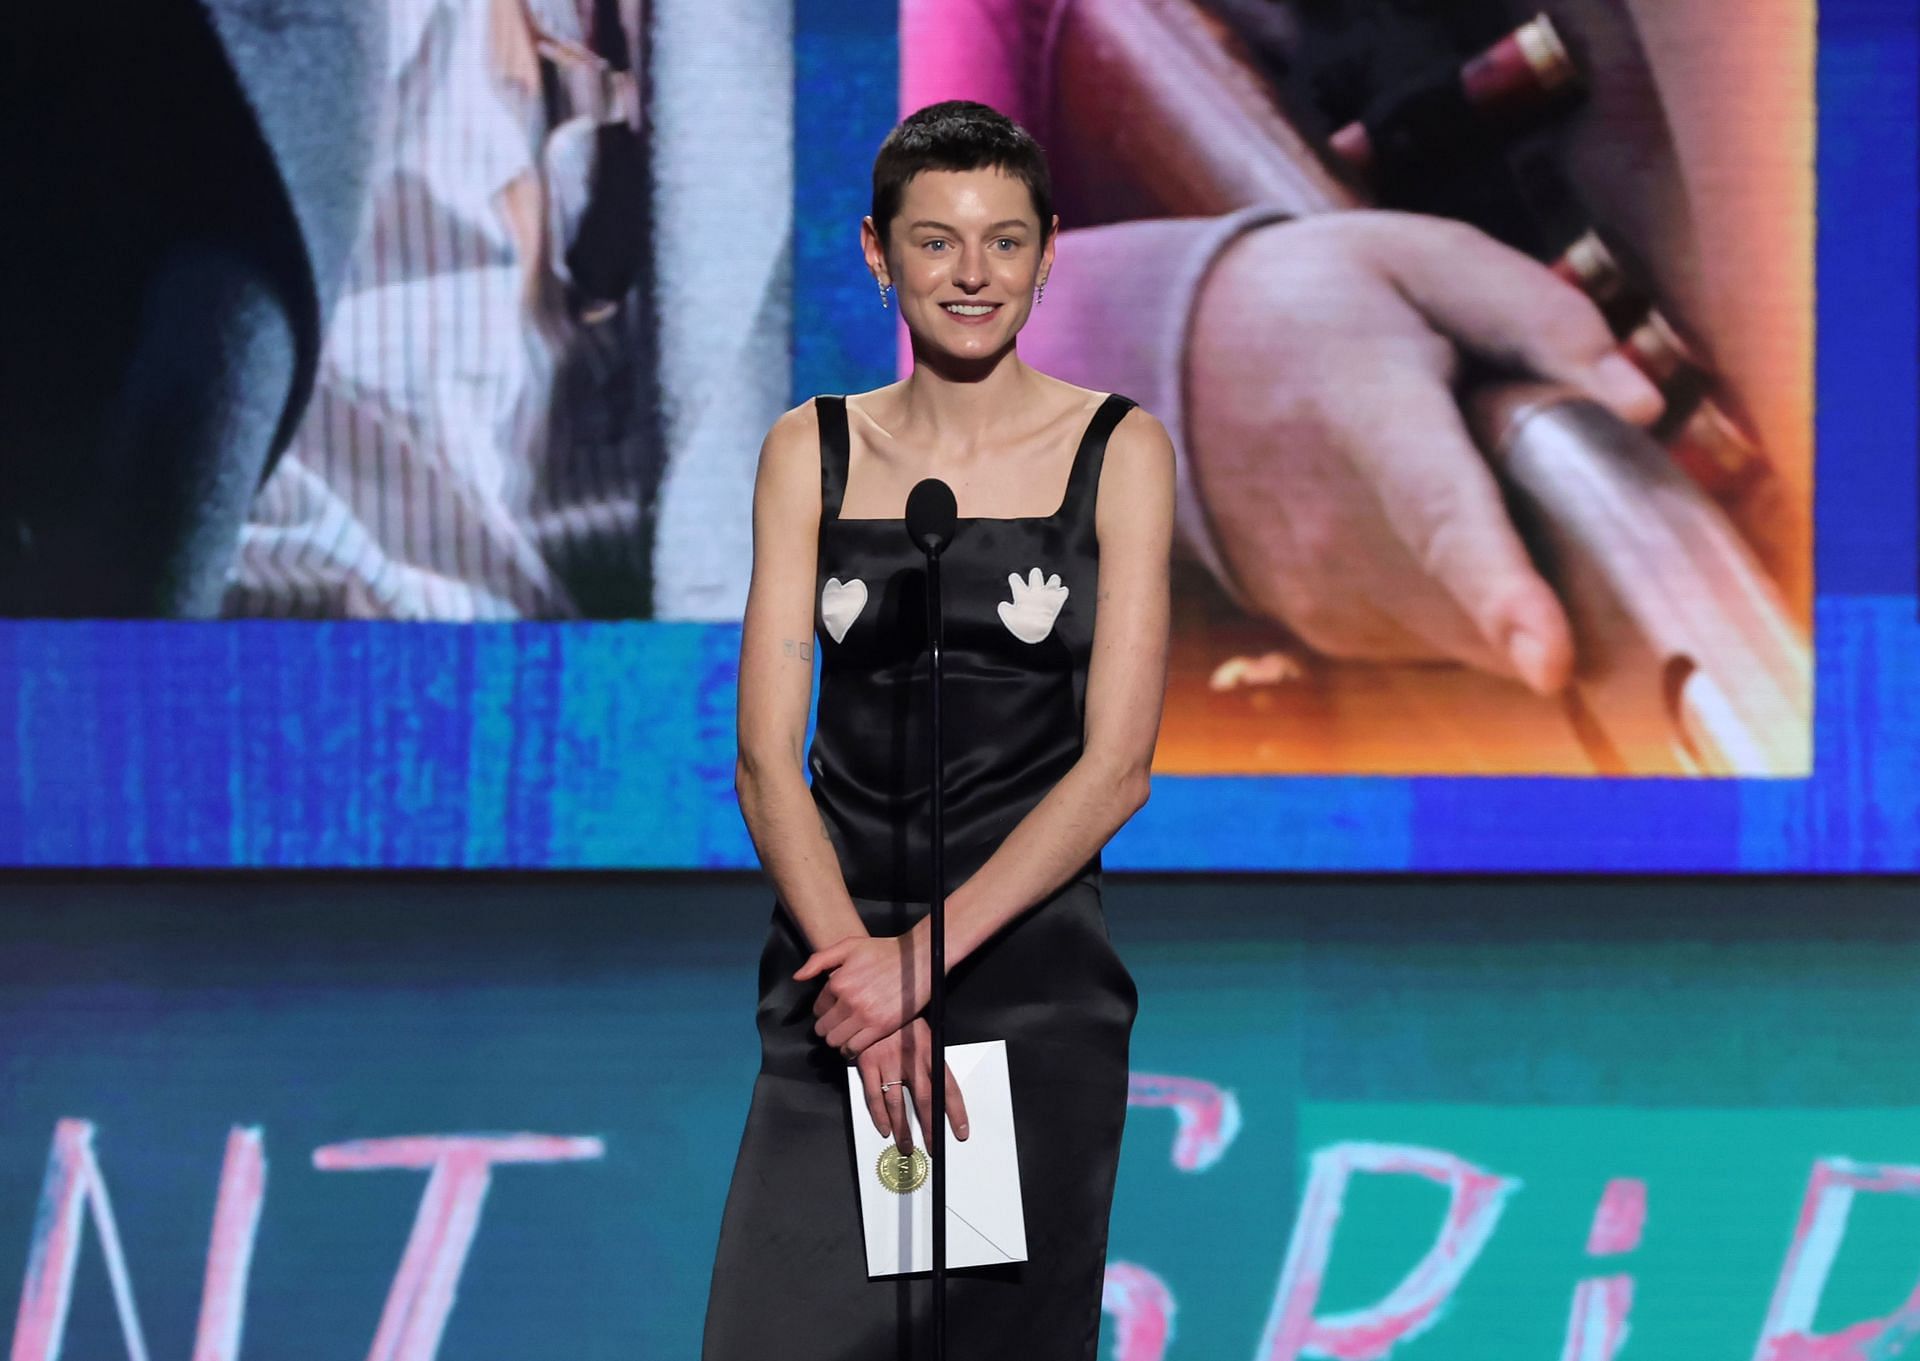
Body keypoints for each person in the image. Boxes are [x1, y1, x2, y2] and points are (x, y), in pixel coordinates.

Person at [703, 102, 1171, 1359]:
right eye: (937, 242)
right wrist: (866, 975)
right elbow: (766, 763)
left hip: (1023, 985)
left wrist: (922, 962)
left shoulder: (1118, 450)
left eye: (1005, 242)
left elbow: (1116, 767)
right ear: (876, 252)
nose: (973, 275)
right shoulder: (812, 448)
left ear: (1048, 253)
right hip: (836, 984)